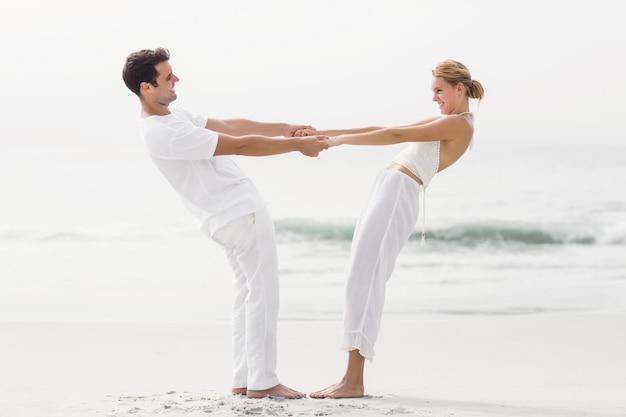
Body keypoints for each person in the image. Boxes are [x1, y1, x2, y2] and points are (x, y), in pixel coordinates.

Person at [122, 47, 328, 399]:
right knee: (263, 296)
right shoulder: (166, 132)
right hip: (240, 214)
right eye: (167, 76)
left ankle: (244, 378)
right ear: (146, 87)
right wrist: (298, 147)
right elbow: (240, 144)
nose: (176, 79)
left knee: (247, 295)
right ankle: (263, 382)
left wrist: (287, 129)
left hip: (225, 219)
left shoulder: (171, 117)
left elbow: (230, 125)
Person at [303, 59, 485, 398]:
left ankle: (353, 381)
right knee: (358, 275)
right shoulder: (448, 119)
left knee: (367, 278)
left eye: (439, 91)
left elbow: (396, 136)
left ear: (459, 89)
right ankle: (349, 377)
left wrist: (337, 142)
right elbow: (386, 127)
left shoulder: (461, 126)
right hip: (386, 188)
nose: (434, 98)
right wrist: (324, 133)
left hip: (399, 193)